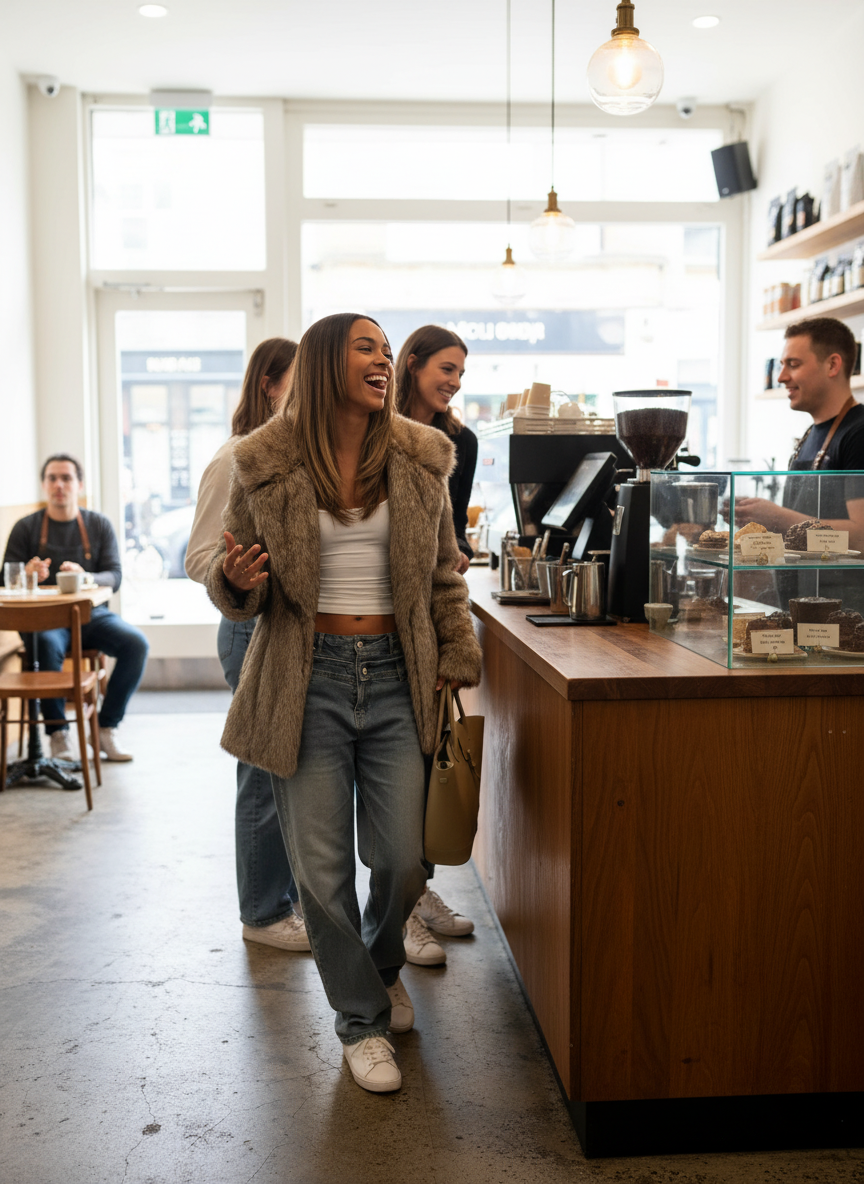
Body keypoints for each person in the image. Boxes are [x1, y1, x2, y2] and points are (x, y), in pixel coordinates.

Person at [205, 312, 482, 1093]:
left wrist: (457, 654)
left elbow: (442, 575)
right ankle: (360, 1020)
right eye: (368, 348)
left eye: (389, 352)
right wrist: (238, 583)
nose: (385, 362)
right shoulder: (262, 461)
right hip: (306, 676)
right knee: (319, 875)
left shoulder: (423, 457)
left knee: (400, 862)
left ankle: (379, 964)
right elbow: (234, 576)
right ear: (327, 361)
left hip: (399, 675)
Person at [186, 337, 310, 954]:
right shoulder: (237, 456)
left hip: (284, 628)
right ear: (269, 383)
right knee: (262, 771)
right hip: (247, 627)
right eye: (301, 378)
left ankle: (280, 902)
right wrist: (239, 575)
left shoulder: (295, 456)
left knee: (286, 767)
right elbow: (199, 555)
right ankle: (261, 915)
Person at [395, 324, 479, 967]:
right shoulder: (374, 427)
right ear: (413, 364)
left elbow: (450, 537)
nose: (452, 382)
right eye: (444, 369)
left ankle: (416, 894)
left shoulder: (460, 441)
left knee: (428, 759)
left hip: (430, 610)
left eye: (459, 372)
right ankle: (397, 907)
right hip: (377, 614)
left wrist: (459, 558)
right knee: (389, 773)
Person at [1, 454, 149, 763]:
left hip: (91, 616)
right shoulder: (25, 528)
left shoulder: (98, 524)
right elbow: (5, 576)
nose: (59, 485)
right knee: (43, 643)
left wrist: (87, 577)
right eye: (52, 478)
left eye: (66, 478)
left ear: (79, 484)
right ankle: (58, 734)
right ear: (44, 485)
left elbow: (115, 575)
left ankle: (106, 728)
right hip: (45, 620)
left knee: (136, 645)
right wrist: (26, 576)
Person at [730, 317, 864, 615]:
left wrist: (776, 516)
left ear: (832, 365)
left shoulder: (858, 433)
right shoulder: (810, 435)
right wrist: (757, 519)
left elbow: (861, 536)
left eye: (793, 364)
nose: (781, 377)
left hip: (845, 616)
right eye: (782, 365)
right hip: (802, 606)